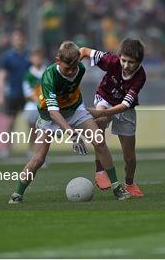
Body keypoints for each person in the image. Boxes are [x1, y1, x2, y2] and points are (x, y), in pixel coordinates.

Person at [8, 41, 130, 203]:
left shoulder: (80, 69)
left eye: (74, 67)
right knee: (39, 158)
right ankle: (17, 194)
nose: (72, 72)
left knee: (99, 142)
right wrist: (72, 133)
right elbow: (53, 112)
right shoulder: (49, 76)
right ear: (58, 60)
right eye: (67, 68)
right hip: (49, 116)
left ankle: (116, 187)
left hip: (75, 110)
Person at [79, 38, 147, 197]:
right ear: (119, 56)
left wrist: (99, 113)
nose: (126, 65)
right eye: (124, 60)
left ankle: (129, 183)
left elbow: (124, 106)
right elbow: (83, 51)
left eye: (131, 62)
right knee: (100, 124)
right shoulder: (111, 60)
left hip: (125, 109)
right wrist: (71, 66)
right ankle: (100, 169)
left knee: (129, 158)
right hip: (105, 98)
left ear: (139, 62)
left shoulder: (140, 76)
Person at [0, 29, 30, 159]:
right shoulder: (7, 56)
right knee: (10, 122)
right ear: (12, 40)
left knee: (31, 123)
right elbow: (1, 76)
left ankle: (31, 149)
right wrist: (0, 93)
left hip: (28, 94)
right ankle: (6, 149)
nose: (18, 40)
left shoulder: (29, 54)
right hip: (14, 93)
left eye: (20, 37)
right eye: (16, 38)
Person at [22, 47, 46, 159]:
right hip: (34, 105)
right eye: (35, 57)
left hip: (45, 106)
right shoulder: (28, 75)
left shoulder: (47, 72)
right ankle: (31, 149)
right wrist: (39, 101)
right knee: (33, 130)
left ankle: (40, 153)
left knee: (43, 131)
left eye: (39, 57)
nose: (37, 59)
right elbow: (28, 93)